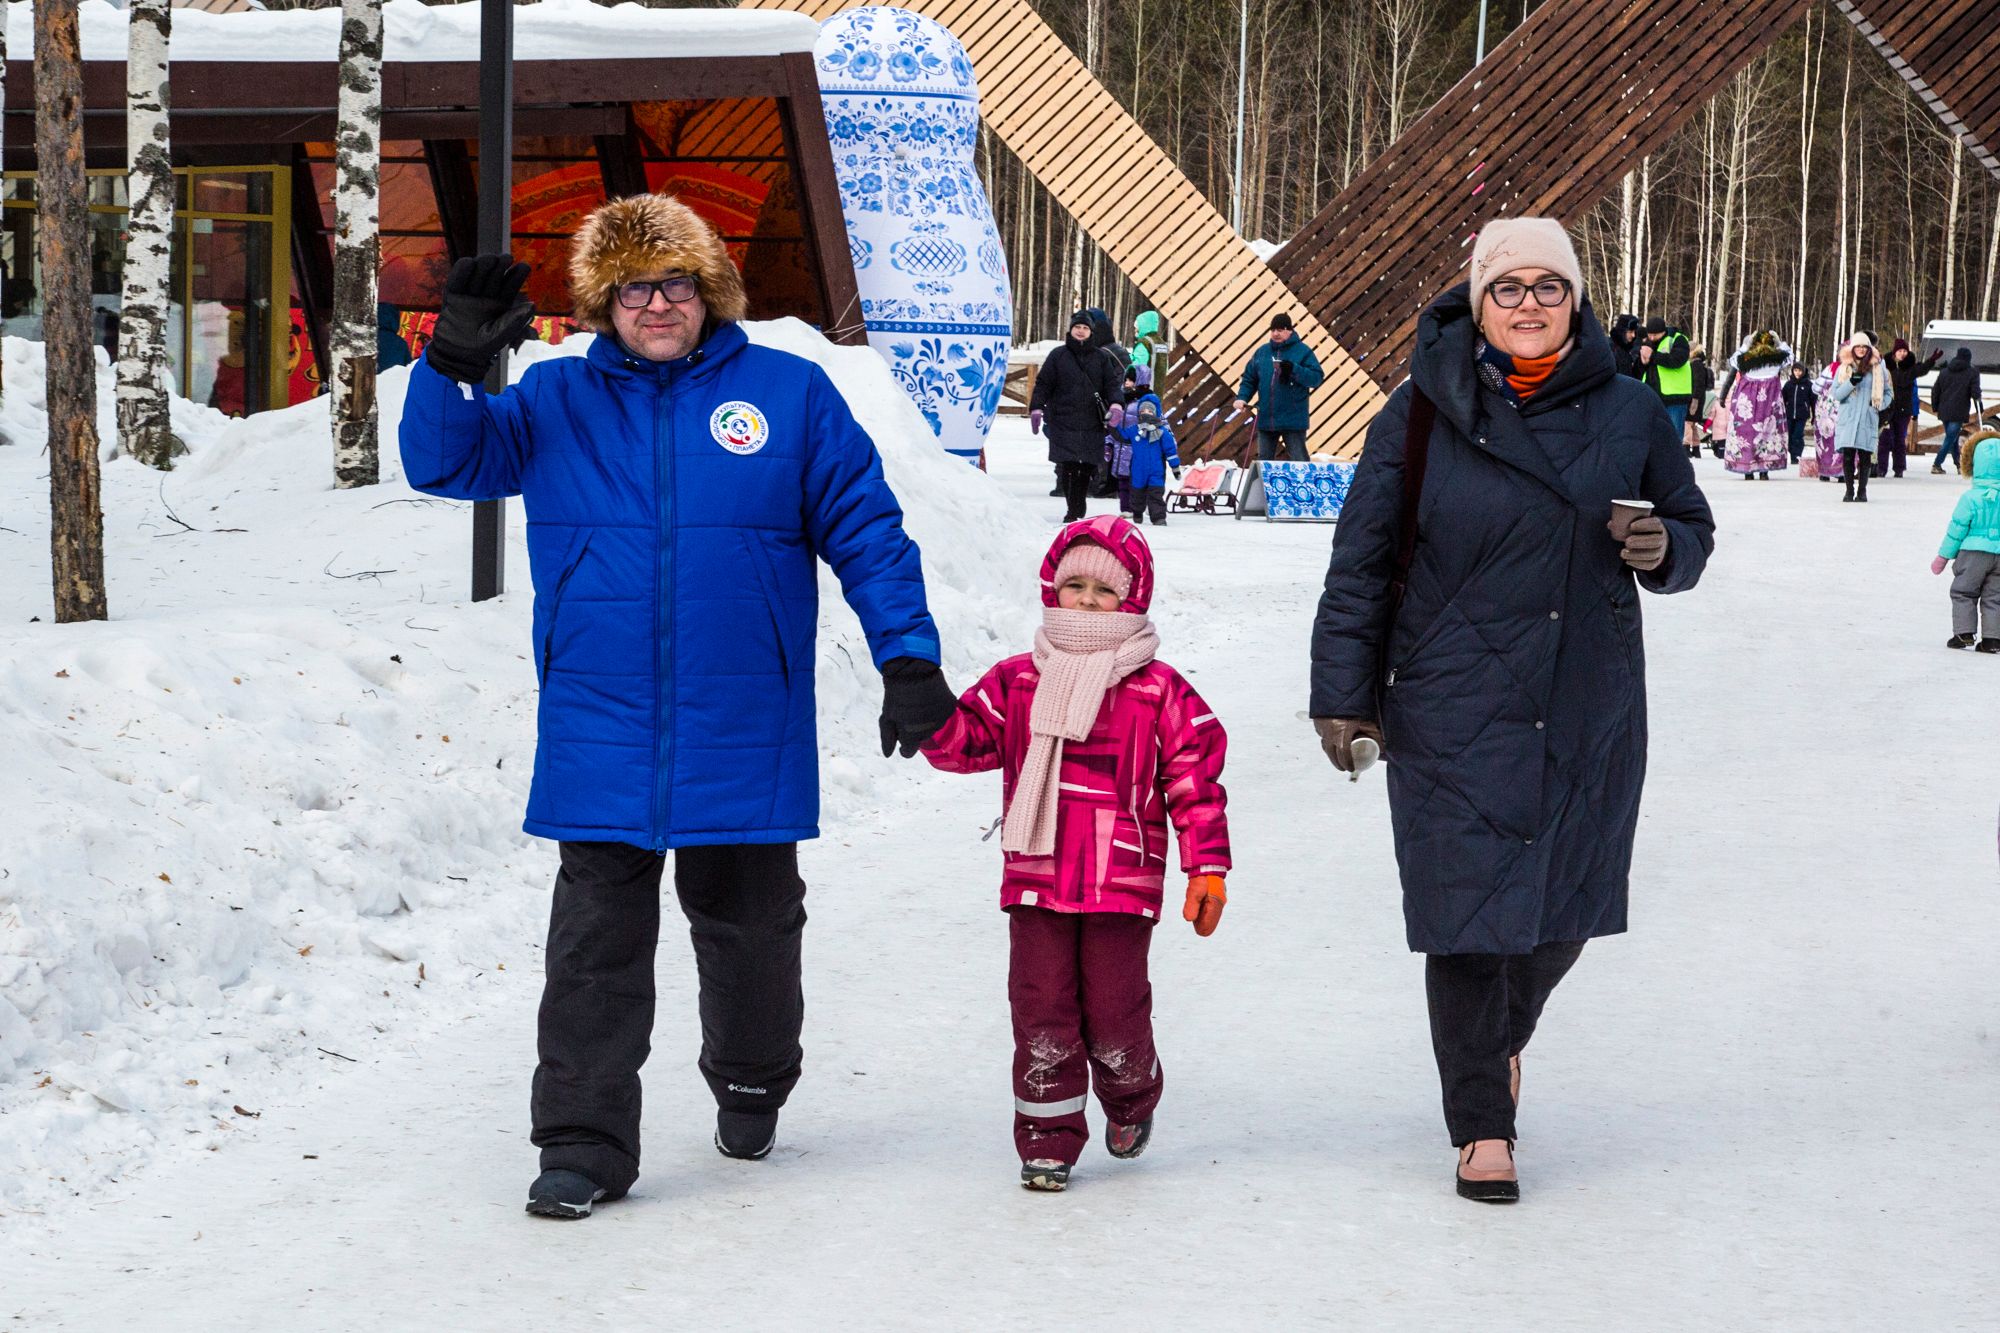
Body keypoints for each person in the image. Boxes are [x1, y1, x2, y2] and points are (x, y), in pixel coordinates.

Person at [398, 195, 959, 1221]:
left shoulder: (787, 395)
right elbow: (443, 463)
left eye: (675, 285)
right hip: (600, 719)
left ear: (711, 293)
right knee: (592, 949)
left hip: (743, 716)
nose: (656, 305)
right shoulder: (555, 402)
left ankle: (751, 1079)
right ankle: (581, 1142)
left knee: (749, 931)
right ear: (604, 305)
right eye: (632, 289)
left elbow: (868, 532)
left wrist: (908, 658)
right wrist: (447, 370)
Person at [1307, 217, 1714, 1204]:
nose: (1527, 304)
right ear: (1474, 302)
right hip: (1450, 698)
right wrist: (1339, 697)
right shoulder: (1414, 413)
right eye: (1507, 287)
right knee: (1464, 916)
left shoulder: (1627, 412)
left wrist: (1661, 548)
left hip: (1586, 698)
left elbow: (1691, 530)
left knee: (1560, 909)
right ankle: (1482, 1123)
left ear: (1574, 298)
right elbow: (1359, 564)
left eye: (1547, 286)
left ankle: (1491, 1047)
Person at [920, 516, 1230, 1191]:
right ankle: (1048, 1137)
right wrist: (923, 710)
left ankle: (1130, 1095)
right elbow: (966, 743)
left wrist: (1207, 865)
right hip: (1037, 876)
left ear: (1133, 598)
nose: (1087, 599)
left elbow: (1195, 782)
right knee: (1042, 1009)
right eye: (1075, 584)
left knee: (1116, 1010)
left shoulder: (1159, 690)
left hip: (1120, 880)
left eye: (1105, 590)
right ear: (1052, 590)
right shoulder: (1018, 680)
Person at [1031, 311, 1127, 523]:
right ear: (1071, 330)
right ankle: (1072, 509)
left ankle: (1078, 503)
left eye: (1085, 328)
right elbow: (1043, 384)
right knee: (1068, 465)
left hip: (1092, 420)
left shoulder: (1101, 358)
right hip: (1063, 419)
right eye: (1077, 327)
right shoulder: (1058, 355)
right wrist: (1036, 408)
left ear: (1091, 332)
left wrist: (1117, 404)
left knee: (1087, 466)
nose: (1081, 331)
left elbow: (1112, 384)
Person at [1933, 436, 2000, 650]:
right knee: (1995, 597)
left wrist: (1942, 557)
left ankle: (1963, 633)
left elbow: (1956, 530)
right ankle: (1992, 639)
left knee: (1963, 592)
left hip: (1972, 554)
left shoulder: (1970, 498)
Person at [1234, 313, 1326, 462]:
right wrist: (1242, 397)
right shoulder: (1261, 352)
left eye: (1280, 329)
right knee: (1264, 463)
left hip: (1293, 419)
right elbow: (1249, 379)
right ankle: (1264, 486)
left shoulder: (1303, 351)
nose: (1275, 333)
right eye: (1273, 330)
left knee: (1299, 461)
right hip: (1266, 417)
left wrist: (1294, 369)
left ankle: (1304, 484)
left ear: (1290, 330)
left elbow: (1316, 378)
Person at [1720, 330, 1793, 481]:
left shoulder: (1746, 359)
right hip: (1770, 401)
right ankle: (1764, 469)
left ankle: (1747, 468)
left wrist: (1746, 345)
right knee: (1768, 431)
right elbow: (1790, 356)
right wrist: (1780, 343)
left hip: (1747, 400)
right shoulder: (1776, 360)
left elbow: (1733, 361)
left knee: (1746, 432)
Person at [1831, 332, 1891, 502]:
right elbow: (1836, 394)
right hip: (1849, 418)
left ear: (1869, 349)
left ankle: (1862, 491)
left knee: (1865, 456)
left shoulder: (1878, 369)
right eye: (1858, 346)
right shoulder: (1844, 368)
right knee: (1848, 455)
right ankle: (1849, 490)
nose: (1861, 350)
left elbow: (1888, 393)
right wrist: (1851, 382)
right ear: (1852, 348)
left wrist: (1877, 406)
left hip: (1867, 417)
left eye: (1864, 347)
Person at [1114, 392, 1181, 526]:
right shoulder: (1134, 430)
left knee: (1156, 494)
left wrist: (1175, 467)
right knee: (1137, 494)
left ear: (1155, 413)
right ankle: (1137, 512)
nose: (1146, 413)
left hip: (1156, 470)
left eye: (1149, 411)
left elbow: (1170, 451)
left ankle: (1158, 517)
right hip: (1138, 470)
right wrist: (1113, 423)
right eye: (1143, 411)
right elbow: (1121, 435)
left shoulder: (1162, 432)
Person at [1875, 338, 1936, 478]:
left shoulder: (1909, 367)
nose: (1902, 354)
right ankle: (1881, 468)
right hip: (1887, 409)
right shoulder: (1886, 366)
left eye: (1905, 351)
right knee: (1884, 439)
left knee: (1899, 440)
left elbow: (1921, 370)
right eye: (1900, 351)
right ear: (1894, 352)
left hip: (1903, 410)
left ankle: (1899, 468)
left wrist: (1931, 361)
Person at [1929, 346, 1984, 475]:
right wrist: (1979, 407)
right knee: (1950, 438)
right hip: (1959, 410)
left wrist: (1935, 407)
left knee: (1953, 438)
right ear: (1968, 359)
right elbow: (1975, 393)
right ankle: (1937, 464)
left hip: (1944, 410)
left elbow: (1935, 391)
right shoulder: (1972, 373)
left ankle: (1959, 465)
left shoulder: (1944, 372)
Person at [1637, 315, 1694, 437]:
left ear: (1663, 331)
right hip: (1652, 397)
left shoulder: (1677, 339)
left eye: (1655, 335)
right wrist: (1643, 363)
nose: (1652, 338)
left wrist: (1652, 356)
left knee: (1673, 437)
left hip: (1674, 398)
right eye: (1649, 335)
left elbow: (1677, 360)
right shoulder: (1648, 342)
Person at [1782, 361, 1817, 463]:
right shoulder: (1788, 384)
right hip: (1789, 414)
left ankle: (1796, 455)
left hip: (1801, 415)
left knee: (1797, 435)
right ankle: (1791, 451)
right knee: (1789, 435)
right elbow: (1782, 399)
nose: (1797, 373)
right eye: (1795, 370)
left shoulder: (1808, 385)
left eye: (1799, 371)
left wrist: (1814, 416)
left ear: (1803, 371)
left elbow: (1813, 401)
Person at [1686, 347, 1716, 457]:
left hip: (1695, 398)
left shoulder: (1695, 365)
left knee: (1688, 423)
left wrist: (1694, 399)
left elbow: (1697, 383)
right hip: (1699, 397)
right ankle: (1695, 448)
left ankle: (1686, 447)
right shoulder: (1699, 365)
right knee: (1692, 424)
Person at [1607, 313, 1643, 379]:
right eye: (1630, 332)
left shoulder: (1628, 348)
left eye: (1634, 332)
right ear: (1622, 332)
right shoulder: (1610, 349)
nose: (1633, 335)